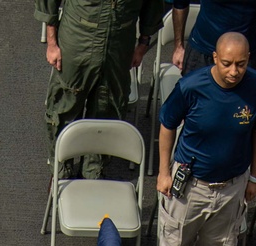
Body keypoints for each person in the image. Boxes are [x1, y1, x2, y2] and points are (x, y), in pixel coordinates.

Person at [156, 31, 256, 246]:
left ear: (249, 60)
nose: (234, 71)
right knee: (174, 244)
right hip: (190, 184)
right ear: (214, 58)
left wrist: (255, 177)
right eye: (226, 63)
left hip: (232, 185)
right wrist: (164, 172)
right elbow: (167, 125)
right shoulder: (190, 86)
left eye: (241, 64)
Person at [37, 0, 166, 177]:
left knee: (107, 108)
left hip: (118, 45)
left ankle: (93, 171)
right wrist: (52, 43)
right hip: (79, 38)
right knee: (65, 107)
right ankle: (61, 170)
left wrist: (143, 44)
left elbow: (153, 6)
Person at [171, 0, 256, 75]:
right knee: (193, 104)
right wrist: (178, 46)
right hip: (202, 49)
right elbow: (180, 3)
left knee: (238, 108)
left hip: (243, 55)